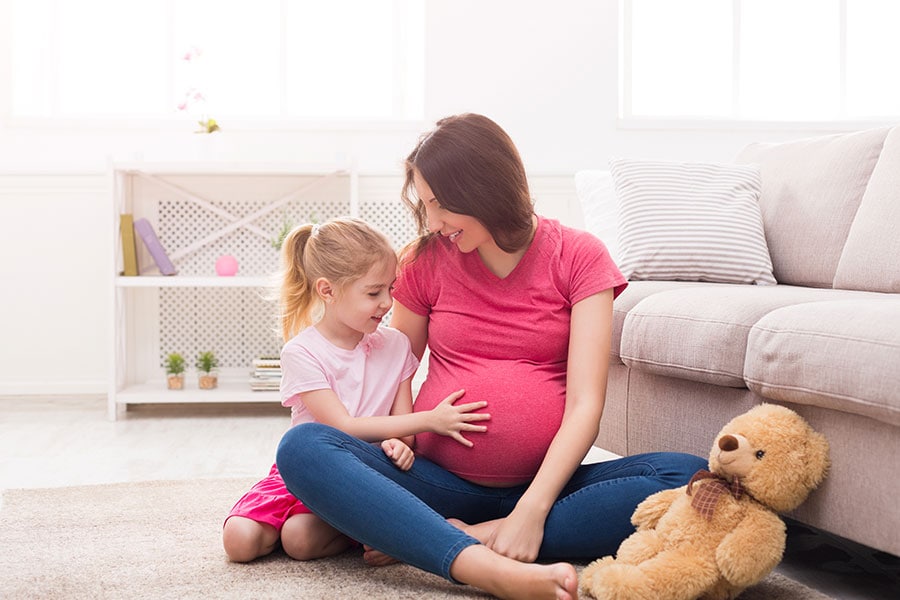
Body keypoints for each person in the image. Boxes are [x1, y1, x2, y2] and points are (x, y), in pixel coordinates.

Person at [275, 114, 707, 599]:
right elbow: (386, 369)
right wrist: (394, 445)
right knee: (304, 446)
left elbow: (587, 402)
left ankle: (457, 535)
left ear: (482, 188)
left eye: (440, 205)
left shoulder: (580, 257)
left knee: (690, 478)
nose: (432, 222)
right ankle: (483, 567)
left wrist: (531, 511)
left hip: (548, 486)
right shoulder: (424, 260)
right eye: (426, 205)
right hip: (435, 483)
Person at [223, 217, 490, 563]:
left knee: (299, 541)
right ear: (328, 290)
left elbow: (402, 425)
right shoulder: (302, 352)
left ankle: (348, 530)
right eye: (373, 292)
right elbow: (343, 427)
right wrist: (432, 420)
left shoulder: (395, 346)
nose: (387, 302)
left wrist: (400, 445)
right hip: (308, 468)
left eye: (391, 289)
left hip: (361, 473)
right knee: (239, 542)